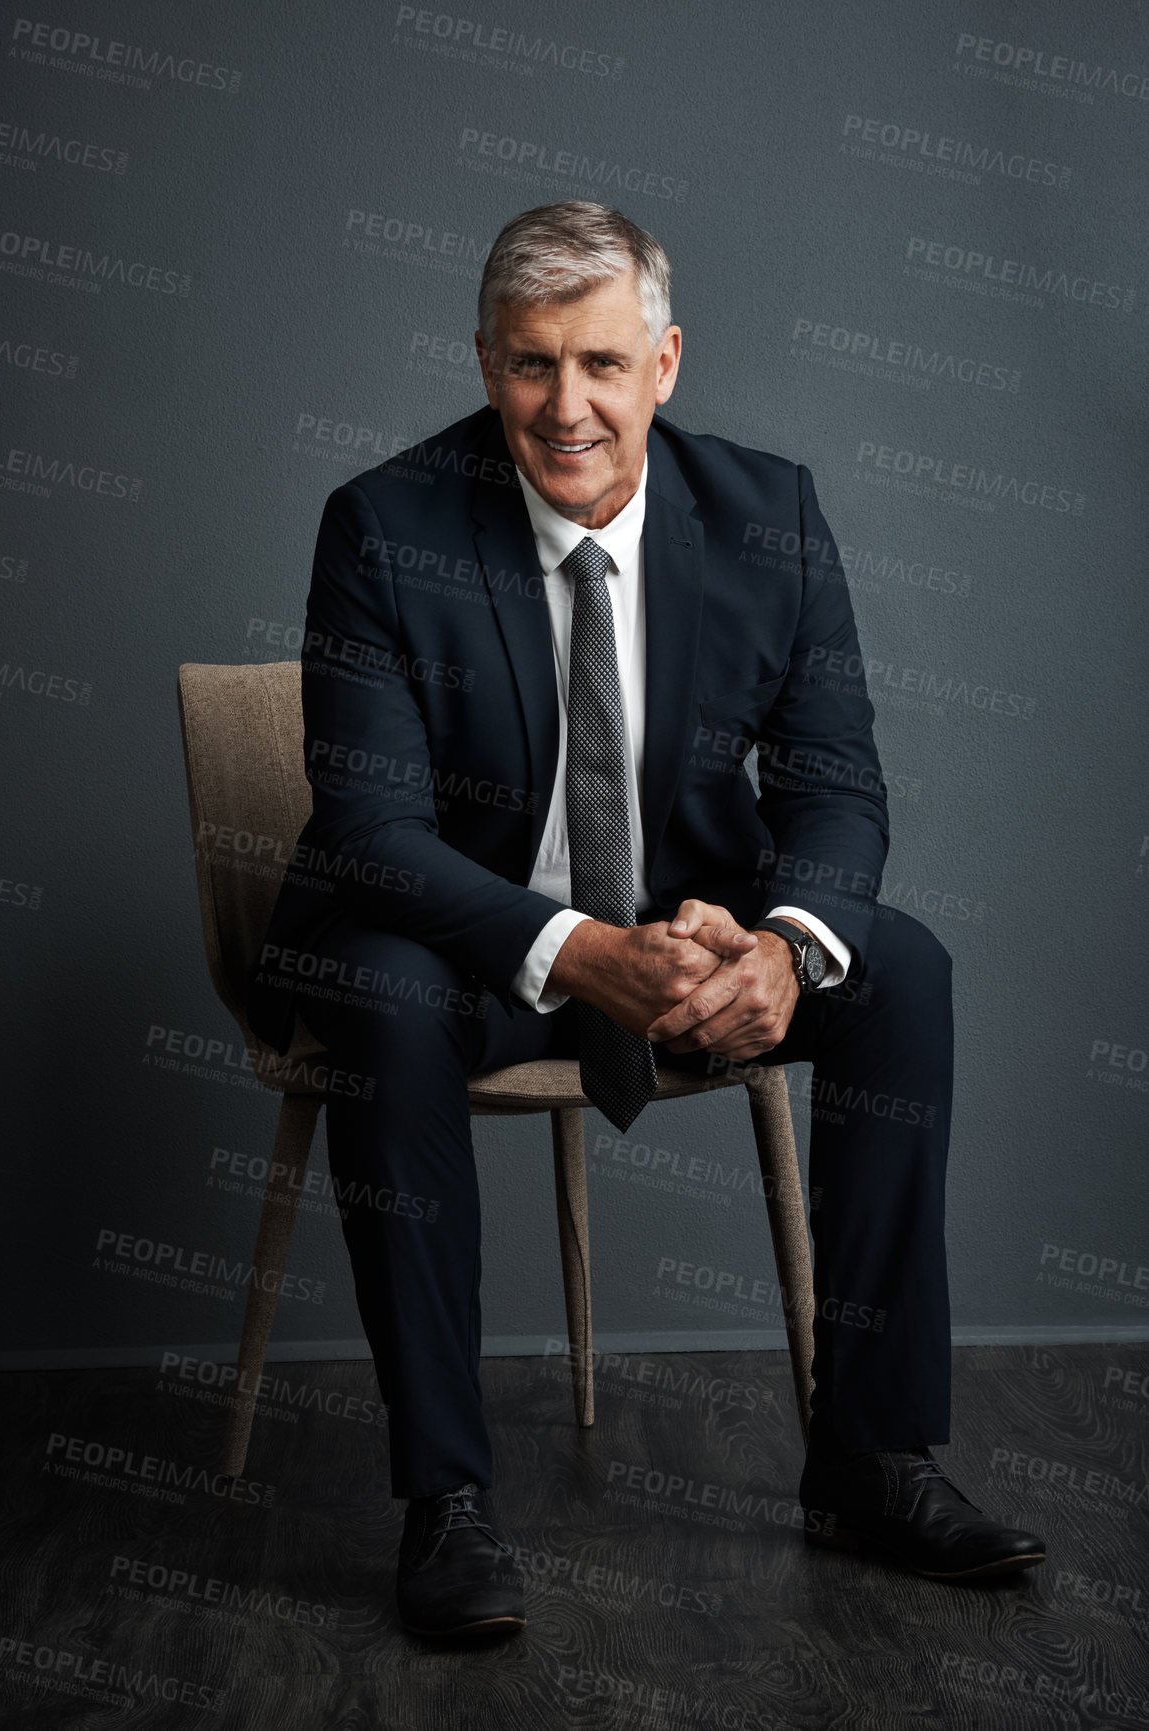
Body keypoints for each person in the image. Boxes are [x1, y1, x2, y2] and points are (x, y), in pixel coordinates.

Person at [247, 201, 1044, 1638]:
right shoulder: (383, 528)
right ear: (487, 364)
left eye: (604, 364)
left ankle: (869, 1459)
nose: (571, 408)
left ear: (665, 365)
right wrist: (574, 952)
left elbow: (838, 785)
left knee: (902, 969)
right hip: (461, 942)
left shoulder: (769, 516)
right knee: (378, 990)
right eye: (535, 365)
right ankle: (447, 1501)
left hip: (688, 932)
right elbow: (369, 833)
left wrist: (788, 951)